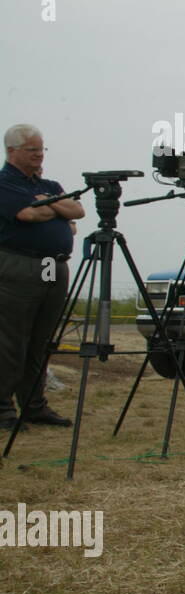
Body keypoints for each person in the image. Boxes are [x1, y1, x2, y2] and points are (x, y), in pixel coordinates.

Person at [0, 124, 84, 430]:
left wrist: (46, 204)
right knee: (12, 340)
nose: (39, 155)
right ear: (12, 151)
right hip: (21, 265)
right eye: (32, 150)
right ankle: (3, 409)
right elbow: (27, 215)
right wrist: (56, 210)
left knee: (42, 340)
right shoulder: (5, 183)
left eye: (41, 149)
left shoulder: (49, 184)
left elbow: (76, 213)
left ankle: (34, 405)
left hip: (55, 265)